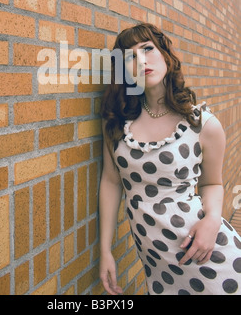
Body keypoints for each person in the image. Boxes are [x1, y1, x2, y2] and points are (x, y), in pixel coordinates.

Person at [99, 22, 241, 295]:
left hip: (206, 252)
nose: (140, 60)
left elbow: (212, 183)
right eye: (129, 56)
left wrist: (212, 220)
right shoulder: (116, 124)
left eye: (148, 49)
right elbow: (110, 182)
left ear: (166, 54)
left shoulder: (201, 124)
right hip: (159, 268)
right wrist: (105, 249)